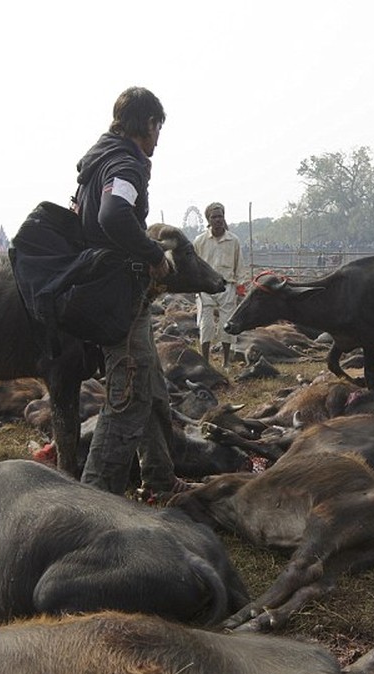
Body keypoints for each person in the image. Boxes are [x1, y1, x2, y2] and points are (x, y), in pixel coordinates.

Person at [73, 86, 184, 500]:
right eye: (158, 128)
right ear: (149, 123)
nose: (158, 139)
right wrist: (154, 254)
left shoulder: (99, 161)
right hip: (119, 295)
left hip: (114, 293)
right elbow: (115, 215)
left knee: (151, 382)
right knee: (129, 393)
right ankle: (93, 500)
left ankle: (158, 476)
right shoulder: (126, 164)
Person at [193, 202, 243, 368]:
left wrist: (240, 287)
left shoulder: (233, 240)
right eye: (214, 217)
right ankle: (205, 363)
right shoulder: (200, 241)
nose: (218, 220)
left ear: (224, 217)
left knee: (226, 326)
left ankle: (226, 362)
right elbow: (194, 265)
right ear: (208, 219)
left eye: (220, 216)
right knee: (206, 326)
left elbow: (239, 265)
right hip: (206, 288)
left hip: (227, 286)